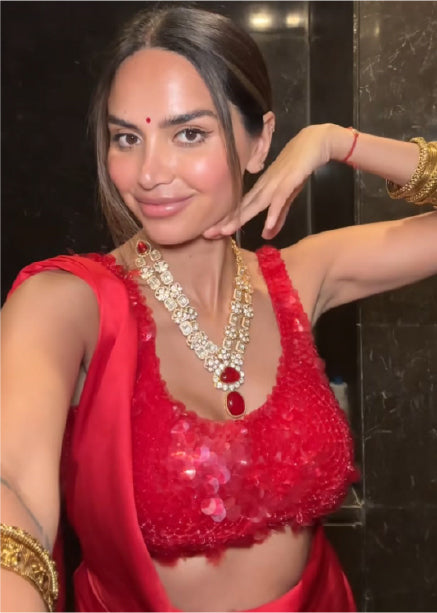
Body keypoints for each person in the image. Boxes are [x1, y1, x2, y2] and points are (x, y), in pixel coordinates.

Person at [1, 6, 436, 613]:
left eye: (189, 134)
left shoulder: (301, 278)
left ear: (260, 141)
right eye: (127, 138)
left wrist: (337, 141)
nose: (149, 173)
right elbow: (12, 490)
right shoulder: (65, 303)